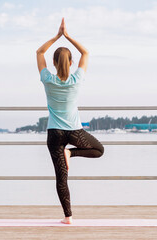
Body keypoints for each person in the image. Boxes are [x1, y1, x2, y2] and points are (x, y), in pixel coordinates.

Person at [36, 18, 104, 224]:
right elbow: (86, 53)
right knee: (99, 150)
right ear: (71, 63)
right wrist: (68, 36)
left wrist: (57, 36)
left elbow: (39, 53)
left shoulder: (48, 78)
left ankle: (68, 217)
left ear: (54, 63)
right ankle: (71, 153)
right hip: (75, 131)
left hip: (54, 133)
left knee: (61, 178)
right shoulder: (77, 79)